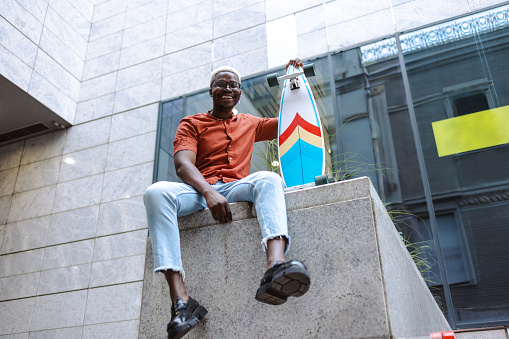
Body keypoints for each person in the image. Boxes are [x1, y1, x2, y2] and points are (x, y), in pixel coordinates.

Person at [144, 59, 311, 339]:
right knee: (155, 193)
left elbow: (290, 120)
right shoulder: (191, 123)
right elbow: (183, 165)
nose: (228, 88)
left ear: (240, 93)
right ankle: (181, 301)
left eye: (234, 85)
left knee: (269, 179)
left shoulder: (251, 123)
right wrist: (208, 192)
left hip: (236, 187)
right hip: (200, 192)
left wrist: (294, 80)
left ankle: (275, 266)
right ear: (211, 90)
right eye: (221, 84)